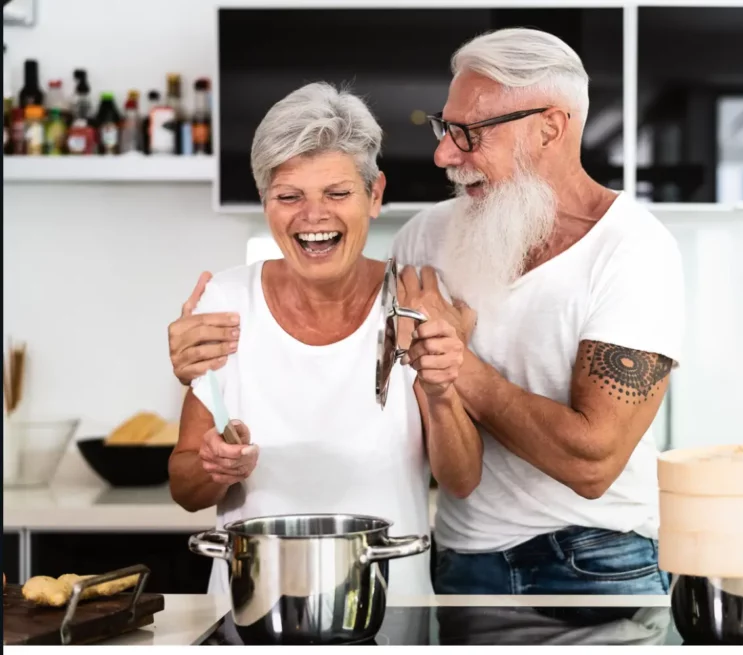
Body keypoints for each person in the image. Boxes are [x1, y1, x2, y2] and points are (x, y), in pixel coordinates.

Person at [169, 28, 685, 596]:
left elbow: (594, 464)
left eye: (468, 132)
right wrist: (198, 371)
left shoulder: (634, 249)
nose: (442, 153)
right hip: (462, 556)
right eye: (446, 128)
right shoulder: (426, 241)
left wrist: (454, 361)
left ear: (550, 127)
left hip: (594, 556)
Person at [166, 82, 481, 598]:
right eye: (289, 196)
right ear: (266, 201)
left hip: (389, 610)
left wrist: (444, 388)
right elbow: (185, 489)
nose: (314, 217)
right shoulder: (225, 302)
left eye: (337, 194)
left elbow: (462, 481)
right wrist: (215, 465)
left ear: (374, 195)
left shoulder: (413, 298)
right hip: (251, 612)